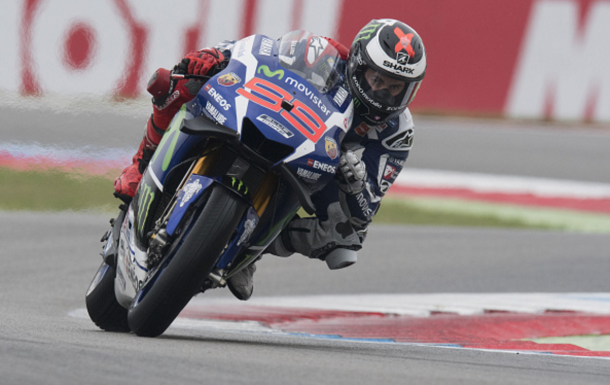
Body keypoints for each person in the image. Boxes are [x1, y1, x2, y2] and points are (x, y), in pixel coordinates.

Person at [114, 18, 426, 301]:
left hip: (321, 168)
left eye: (396, 88)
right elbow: (256, 53)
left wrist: (353, 182)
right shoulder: (322, 54)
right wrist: (215, 58)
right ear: (358, 64)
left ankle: (251, 250)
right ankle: (140, 168)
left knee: (343, 238)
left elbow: (362, 215)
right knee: (182, 81)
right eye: (377, 80)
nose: (384, 94)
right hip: (270, 119)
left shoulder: (396, 133)